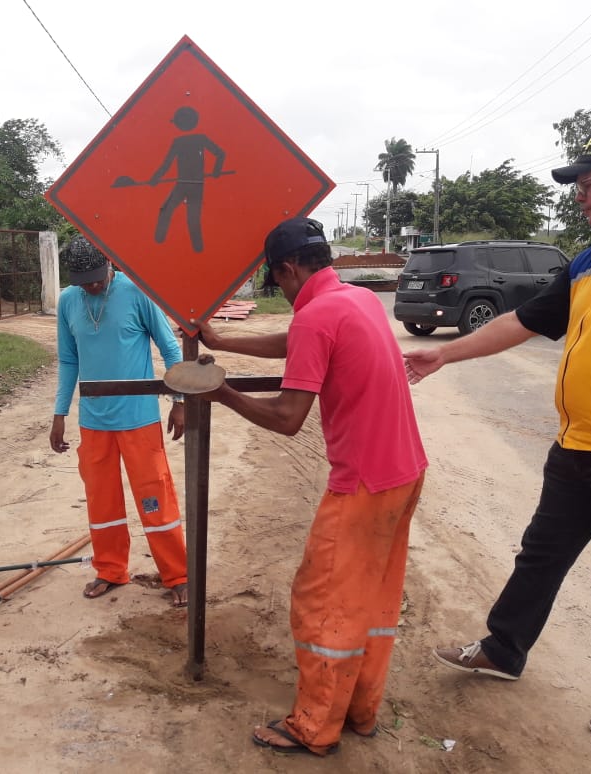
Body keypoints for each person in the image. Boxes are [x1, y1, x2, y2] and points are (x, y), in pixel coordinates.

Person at [404, 126, 591, 744]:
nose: (578, 194)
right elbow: (525, 320)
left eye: (588, 182)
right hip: (578, 444)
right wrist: (449, 355)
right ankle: (503, 649)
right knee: (540, 554)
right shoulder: (590, 258)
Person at [193, 216, 427, 756]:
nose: (285, 290)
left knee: (323, 602)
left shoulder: (317, 317)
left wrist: (221, 392)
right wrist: (226, 340)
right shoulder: (354, 300)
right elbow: (299, 339)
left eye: (280, 281)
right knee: (372, 599)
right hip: (405, 471)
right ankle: (361, 711)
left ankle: (314, 726)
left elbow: (287, 418)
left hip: (363, 483)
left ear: (289, 268)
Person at [50, 236, 189, 608]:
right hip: (94, 422)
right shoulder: (68, 302)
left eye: (97, 278)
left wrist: (180, 400)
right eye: (85, 282)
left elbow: (170, 348)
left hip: (139, 419)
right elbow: (68, 361)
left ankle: (177, 574)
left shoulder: (136, 293)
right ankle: (110, 569)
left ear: (109, 264)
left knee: (155, 499)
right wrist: (59, 413)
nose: (93, 287)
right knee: (102, 501)